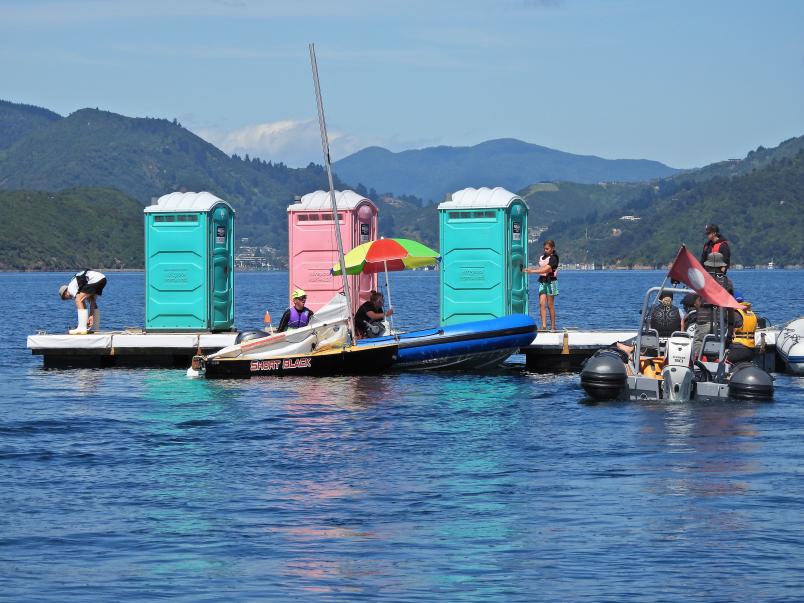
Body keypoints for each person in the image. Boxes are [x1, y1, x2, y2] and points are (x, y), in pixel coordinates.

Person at [523, 239, 559, 331]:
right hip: (543, 281)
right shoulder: (542, 257)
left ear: (552, 248)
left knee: (550, 305)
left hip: (551, 282)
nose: (545, 250)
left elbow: (545, 270)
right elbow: (540, 268)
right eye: (545, 249)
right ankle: (543, 326)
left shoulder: (554, 258)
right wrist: (529, 269)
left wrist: (532, 271)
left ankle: (553, 326)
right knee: (541, 303)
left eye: (547, 249)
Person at [59, 269, 107, 335]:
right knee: (90, 299)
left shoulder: (70, 288)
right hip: (102, 279)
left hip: (95, 279)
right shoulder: (78, 286)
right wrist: (91, 316)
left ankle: (82, 327)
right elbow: (92, 301)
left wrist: (84, 322)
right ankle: (94, 327)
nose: (68, 299)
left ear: (65, 293)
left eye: (65, 298)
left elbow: (79, 300)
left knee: (78, 299)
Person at [726, 291, 757, 364]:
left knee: (715, 358)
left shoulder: (735, 314)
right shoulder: (751, 313)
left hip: (738, 349)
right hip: (751, 351)